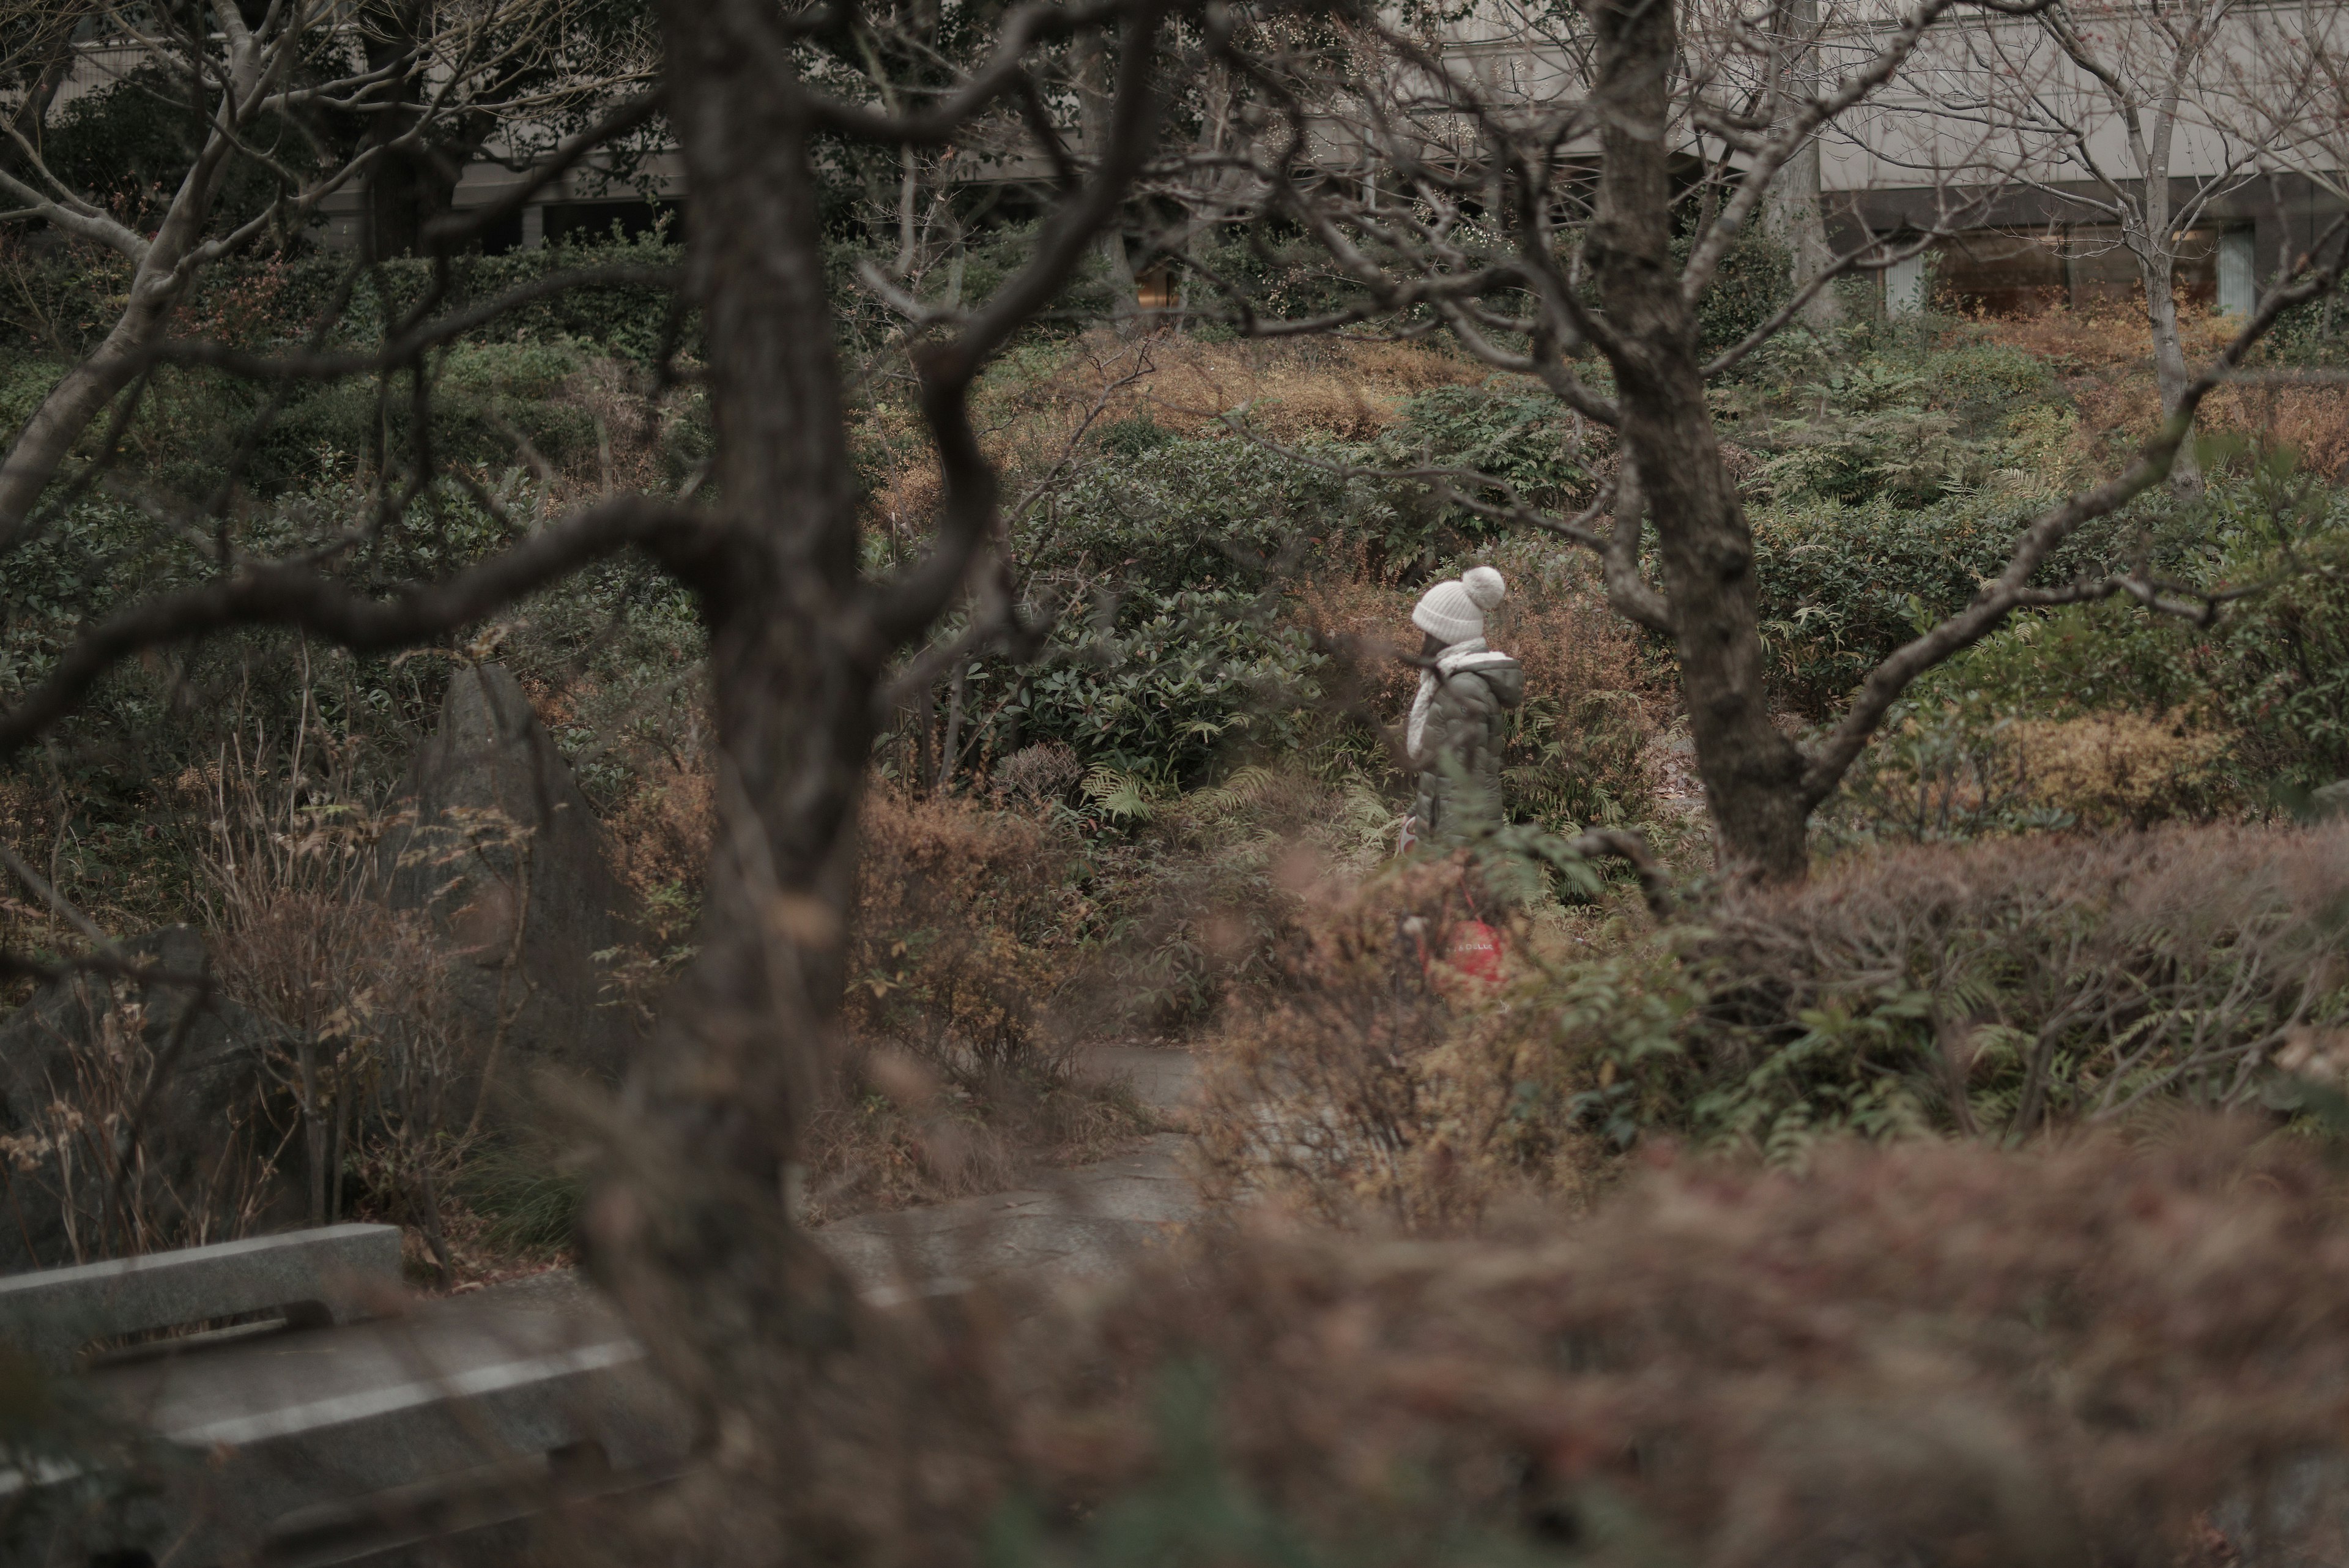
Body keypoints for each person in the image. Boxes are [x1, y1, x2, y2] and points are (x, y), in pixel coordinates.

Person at [1399, 566, 1523, 853]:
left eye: (1427, 632)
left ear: (1445, 634)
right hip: (1448, 838)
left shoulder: (1463, 690)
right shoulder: (1452, 682)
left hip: (1459, 850)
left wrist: (1453, 866)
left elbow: (1465, 786)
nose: (1422, 640)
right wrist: (1418, 811)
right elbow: (1443, 771)